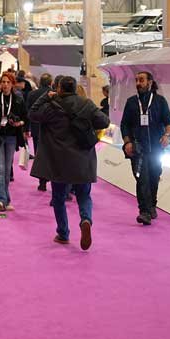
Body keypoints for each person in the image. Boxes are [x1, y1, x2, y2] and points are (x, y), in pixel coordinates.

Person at [30, 76, 110, 250]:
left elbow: (33, 113)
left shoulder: (52, 106)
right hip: (83, 160)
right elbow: (104, 121)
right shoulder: (86, 104)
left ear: (59, 88)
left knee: (58, 199)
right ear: (75, 88)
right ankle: (86, 220)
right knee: (84, 195)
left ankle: (63, 233)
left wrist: (46, 97)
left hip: (59, 161)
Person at [120, 71, 170, 225]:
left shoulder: (160, 101)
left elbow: (169, 121)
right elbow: (124, 125)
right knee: (141, 179)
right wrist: (127, 142)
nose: (138, 83)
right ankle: (144, 211)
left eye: (141, 80)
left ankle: (152, 205)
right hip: (138, 149)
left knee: (154, 177)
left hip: (156, 149)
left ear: (150, 82)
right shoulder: (131, 102)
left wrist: (167, 135)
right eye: (136, 80)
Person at [0, 73, 28, 212]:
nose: (5, 84)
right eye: (3, 82)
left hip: (12, 136)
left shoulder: (18, 100)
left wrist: (18, 123)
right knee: (0, 169)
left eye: (8, 82)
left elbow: (25, 118)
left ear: (12, 84)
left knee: (7, 170)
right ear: (0, 83)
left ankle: (6, 199)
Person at [26, 73, 53, 191]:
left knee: (39, 156)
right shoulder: (54, 94)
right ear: (51, 82)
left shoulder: (32, 94)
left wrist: (26, 128)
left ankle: (42, 182)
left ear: (40, 82)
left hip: (37, 128)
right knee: (52, 156)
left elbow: (28, 111)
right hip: (52, 130)